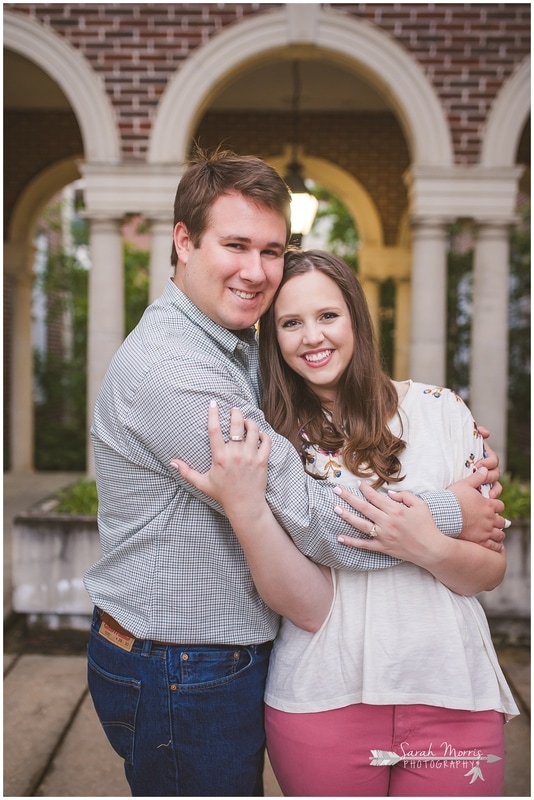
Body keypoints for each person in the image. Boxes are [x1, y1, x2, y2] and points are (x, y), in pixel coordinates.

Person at [84, 149, 506, 797]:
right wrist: (453, 508)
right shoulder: (176, 371)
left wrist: (440, 425)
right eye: (235, 245)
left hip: (211, 662)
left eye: (272, 250)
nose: (255, 271)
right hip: (179, 669)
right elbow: (312, 519)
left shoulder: (230, 352)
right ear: (183, 241)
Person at [173, 248, 518, 797]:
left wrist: (425, 545)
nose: (312, 337)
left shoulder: (443, 410)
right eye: (290, 323)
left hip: (453, 694)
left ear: (356, 316)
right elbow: (299, 601)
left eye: (328, 316)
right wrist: (248, 508)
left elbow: (487, 571)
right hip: (322, 698)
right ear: (273, 339)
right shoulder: (272, 444)